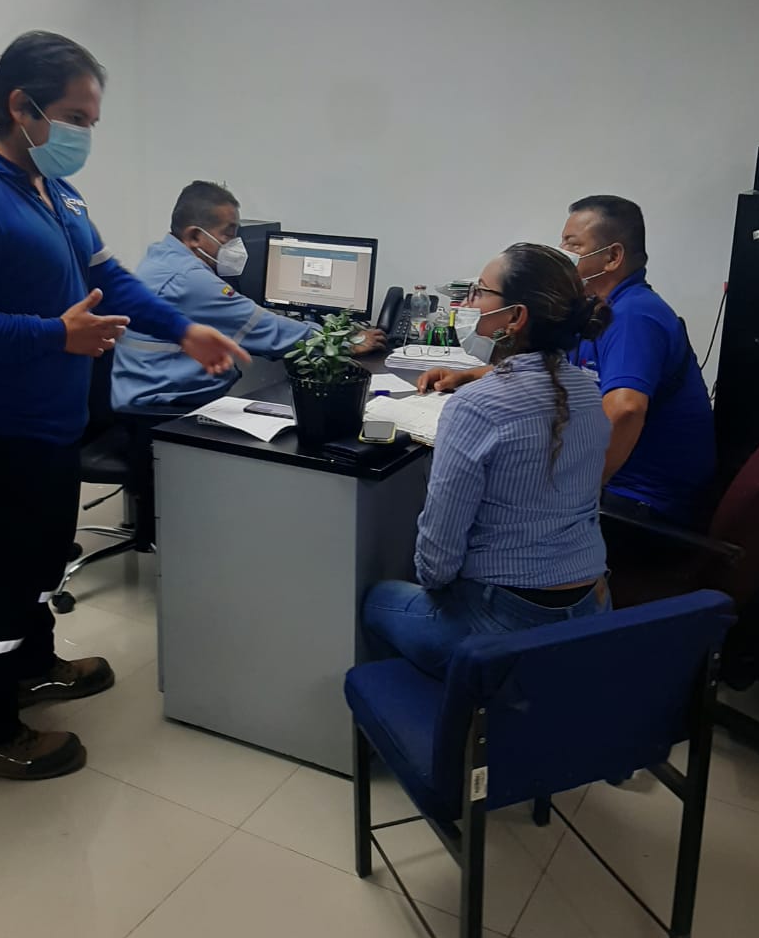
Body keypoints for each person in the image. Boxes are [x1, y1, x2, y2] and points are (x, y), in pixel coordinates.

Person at [0, 31, 248, 782]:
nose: (84, 136)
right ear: (20, 106)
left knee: (39, 563)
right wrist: (54, 335)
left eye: (92, 122)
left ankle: (32, 668)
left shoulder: (56, 191)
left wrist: (184, 328)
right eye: (74, 118)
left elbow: (112, 280)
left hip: (51, 428)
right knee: (0, 580)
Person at [362, 244, 613, 680]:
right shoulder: (590, 392)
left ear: (515, 317)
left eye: (479, 292)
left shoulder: (476, 407)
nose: (468, 302)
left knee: (376, 600)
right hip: (590, 610)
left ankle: (454, 708)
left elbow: (437, 566)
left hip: (502, 623)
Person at [418, 196, 716, 526]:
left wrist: (575, 495)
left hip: (640, 502)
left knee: (477, 494)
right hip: (622, 486)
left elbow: (626, 410)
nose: (562, 252)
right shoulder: (596, 311)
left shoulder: (635, 315)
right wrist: (470, 375)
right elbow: (555, 367)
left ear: (612, 257)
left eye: (572, 244)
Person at [111, 179, 385, 416]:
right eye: (229, 234)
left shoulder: (162, 256)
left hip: (154, 397)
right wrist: (344, 342)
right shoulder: (187, 279)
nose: (235, 244)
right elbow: (268, 330)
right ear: (194, 236)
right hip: (166, 412)